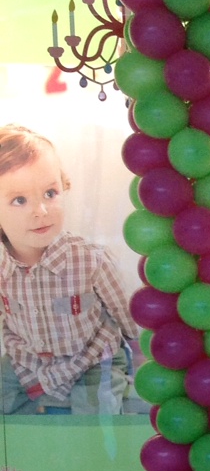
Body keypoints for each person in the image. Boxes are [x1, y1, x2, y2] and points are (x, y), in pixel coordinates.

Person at [0, 125, 136, 414]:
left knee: (96, 412)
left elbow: (124, 313)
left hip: (91, 357)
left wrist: (141, 351)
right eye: (19, 200)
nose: (41, 211)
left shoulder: (90, 260)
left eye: (50, 193)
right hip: (27, 361)